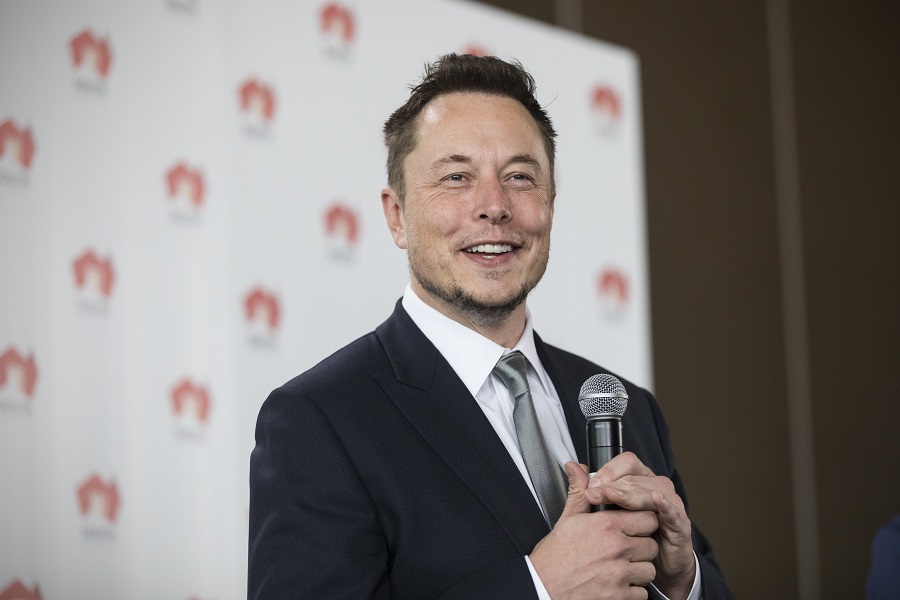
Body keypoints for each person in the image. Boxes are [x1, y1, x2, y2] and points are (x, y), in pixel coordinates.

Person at [248, 53, 733, 600]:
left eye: (520, 177)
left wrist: (682, 580)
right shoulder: (320, 420)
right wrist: (538, 589)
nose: (495, 206)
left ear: (550, 204)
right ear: (396, 216)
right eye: (456, 177)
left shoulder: (626, 405)